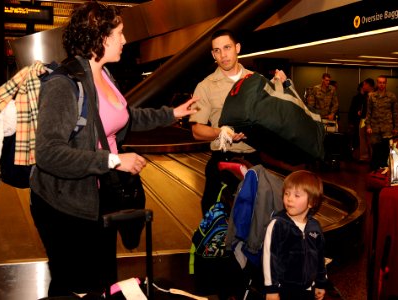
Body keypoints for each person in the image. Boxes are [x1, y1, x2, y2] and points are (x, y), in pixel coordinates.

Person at [29, 2, 198, 297]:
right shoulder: (64, 85)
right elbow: (48, 153)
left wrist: (172, 114)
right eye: (119, 33)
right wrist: (113, 160)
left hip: (99, 195)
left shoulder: (104, 75)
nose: (124, 39)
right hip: (64, 204)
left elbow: (125, 117)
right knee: (75, 285)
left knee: (102, 279)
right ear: (101, 37)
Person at [189, 29, 262, 215]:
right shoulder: (205, 86)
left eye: (227, 48)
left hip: (253, 162)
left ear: (237, 48)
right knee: (215, 221)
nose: (223, 55)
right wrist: (220, 132)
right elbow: (197, 130)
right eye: (217, 50)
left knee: (253, 222)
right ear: (213, 54)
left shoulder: (257, 81)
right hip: (222, 163)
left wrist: (281, 87)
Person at [263, 170, 328, 300]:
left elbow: (319, 258)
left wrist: (321, 283)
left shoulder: (314, 227)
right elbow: (269, 259)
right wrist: (271, 290)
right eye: (287, 193)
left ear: (312, 202)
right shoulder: (278, 225)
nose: (289, 198)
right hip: (284, 290)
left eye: (297, 195)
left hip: (308, 289)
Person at [365, 75, 398, 170]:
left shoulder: (391, 96)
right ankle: (374, 171)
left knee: (385, 151)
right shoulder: (372, 96)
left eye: (383, 82)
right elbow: (368, 112)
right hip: (375, 127)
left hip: (387, 128)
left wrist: (396, 127)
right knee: (376, 150)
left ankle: (384, 170)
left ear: (386, 84)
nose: (381, 84)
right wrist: (368, 126)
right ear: (377, 83)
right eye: (380, 82)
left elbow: (396, 113)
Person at [348, 78, 374, 161]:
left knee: (370, 140)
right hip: (362, 120)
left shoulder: (374, 96)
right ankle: (364, 157)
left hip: (370, 121)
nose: (363, 86)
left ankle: (372, 158)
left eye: (364, 84)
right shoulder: (364, 96)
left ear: (368, 85)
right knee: (362, 140)